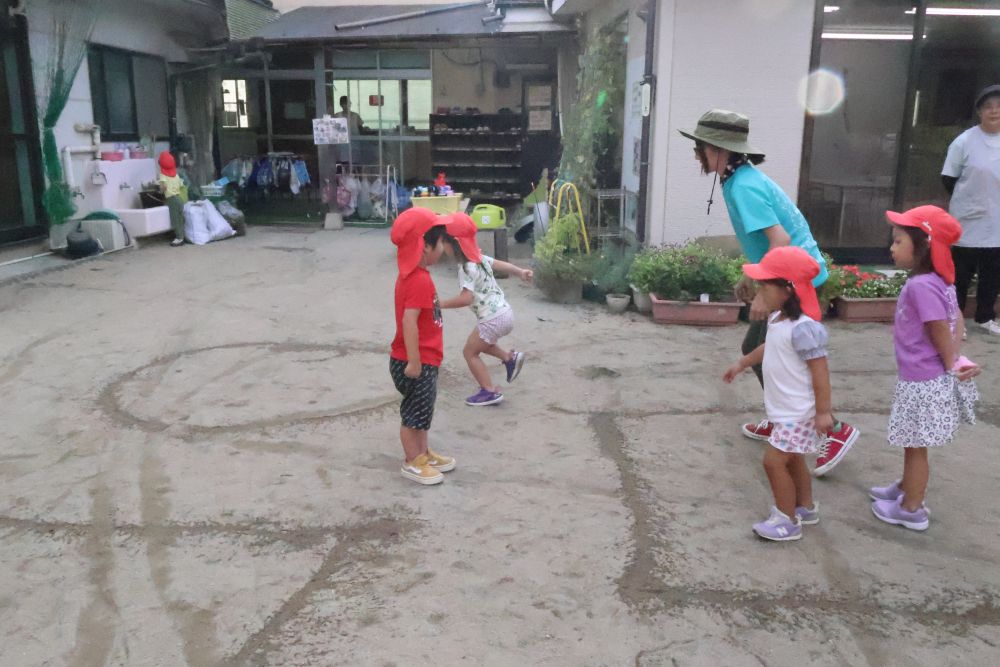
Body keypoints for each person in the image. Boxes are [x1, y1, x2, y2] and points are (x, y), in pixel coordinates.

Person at [680, 108, 858, 476]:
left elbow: (780, 238)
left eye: (701, 147)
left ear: (719, 149)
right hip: (786, 278)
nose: (698, 153)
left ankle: (833, 430)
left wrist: (766, 293)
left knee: (786, 355)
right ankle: (783, 421)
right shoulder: (738, 180)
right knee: (758, 350)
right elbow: (766, 242)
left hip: (797, 283)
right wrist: (755, 279)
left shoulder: (743, 186)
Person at [871, 206, 980, 531]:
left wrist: (949, 363)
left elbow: (936, 326)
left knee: (916, 447)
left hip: (922, 379)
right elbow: (956, 320)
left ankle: (912, 508)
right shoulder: (939, 281)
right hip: (925, 376)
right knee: (912, 441)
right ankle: (905, 488)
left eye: (899, 241)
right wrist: (955, 358)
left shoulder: (920, 286)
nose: (892, 248)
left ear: (924, 246)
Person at [723, 247, 833, 542]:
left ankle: (787, 519)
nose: (760, 290)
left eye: (765, 285)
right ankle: (805, 507)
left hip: (798, 413)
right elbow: (769, 347)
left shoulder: (804, 328)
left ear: (789, 289)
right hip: (785, 410)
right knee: (793, 459)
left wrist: (823, 411)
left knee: (772, 462)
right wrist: (743, 363)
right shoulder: (778, 320)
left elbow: (820, 372)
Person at [389, 208, 456, 485]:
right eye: (440, 242)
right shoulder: (418, 280)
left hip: (424, 359)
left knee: (423, 410)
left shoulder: (416, 276)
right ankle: (411, 461)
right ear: (425, 245)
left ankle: (422, 452)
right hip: (417, 361)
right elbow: (409, 322)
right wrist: (414, 361)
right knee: (413, 413)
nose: (443, 248)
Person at [439, 213, 533, 406]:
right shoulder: (478, 258)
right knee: (482, 343)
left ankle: (489, 391)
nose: (442, 247)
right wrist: (519, 271)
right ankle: (509, 358)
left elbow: (467, 298)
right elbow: (499, 264)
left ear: (453, 244)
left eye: (443, 242)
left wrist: (440, 304)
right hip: (505, 313)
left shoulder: (466, 267)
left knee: (470, 352)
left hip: (491, 318)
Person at [941, 84, 1000, 336]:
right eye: (988, 107)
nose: (994, 111)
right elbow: (948, 178)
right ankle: (956, 320)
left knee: (992, 274)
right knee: (960, 275)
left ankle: (985, 317)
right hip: (966, 220)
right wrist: (969, 200)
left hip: (996, 221)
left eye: (998, 107)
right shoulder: (964, 141)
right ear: (979, 112)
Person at [157, 151, 185, 247]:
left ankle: (179, 239)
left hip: (172, 199)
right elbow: (181, 185)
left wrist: (160, 191)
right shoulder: (176, 175)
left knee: (175, 220)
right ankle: (182, 237)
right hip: (179, 198)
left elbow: (163, 187)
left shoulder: (163, 175)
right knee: (180, 219)